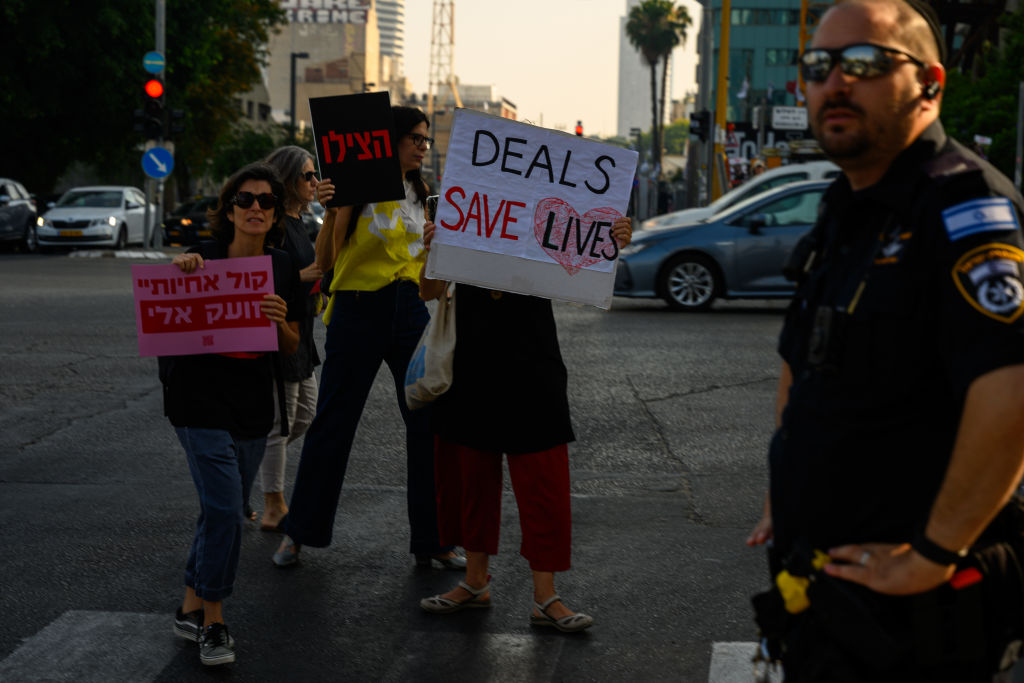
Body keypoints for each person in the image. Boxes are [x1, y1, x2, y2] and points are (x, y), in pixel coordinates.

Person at [746, 1, 1024, 680]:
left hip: (915, 621)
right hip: (828, 599)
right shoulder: (847, 207)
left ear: (930, 83)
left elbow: (1011, 387)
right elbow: (804, 360)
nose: (836, 82)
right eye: (818, 66)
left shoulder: (963, 204)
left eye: (866, 62)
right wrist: (786, 483)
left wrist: (933, 552)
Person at [417, 215, 633, 633]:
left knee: (543, 483)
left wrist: (607, 242)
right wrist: (434, 249)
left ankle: (545, 597)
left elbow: (580, 280)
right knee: (472, 479)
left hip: (533, 364)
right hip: (472, 363)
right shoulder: (464, 214)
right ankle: (475, 582)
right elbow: (428, 291)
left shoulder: (543, 215)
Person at [273, 106, 463, 570]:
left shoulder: (424, 196)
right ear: (390, 140)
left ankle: (434, 540)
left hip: (410, 310)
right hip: (357, 308)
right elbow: (325, 262)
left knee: (428, 422)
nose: (423, 147)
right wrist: (333, 210)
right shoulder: (354, 189)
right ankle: (299, 532)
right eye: (415, 138)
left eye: (426, 140)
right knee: (333, 422)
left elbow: (428, 274)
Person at [163, 162, 302, 666]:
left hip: (251, 405)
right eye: (245, 199)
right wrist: (180, 270)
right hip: (197, 401)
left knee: (218, 510)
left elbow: (292, 345)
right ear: (229, 209)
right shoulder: (203, 258)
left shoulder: (282, 267)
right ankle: (213, 623)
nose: (255, 207)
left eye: (266, 200)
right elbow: (169, 307)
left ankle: (188, 606)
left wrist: (280, 321)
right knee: (226, 511)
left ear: (276, 213)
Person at [255, 145, 335, 532]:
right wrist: (300, 278)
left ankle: (243, 462)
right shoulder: (271, 224)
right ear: (288, 179)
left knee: (304, 416)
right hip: (280, 329)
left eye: (315, 174)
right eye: (308, 175)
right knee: (280, 424)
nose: (315, 181)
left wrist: (316, 289)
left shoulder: (299, 220)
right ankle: (274, 504)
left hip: (303, 330)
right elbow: (257, 276)